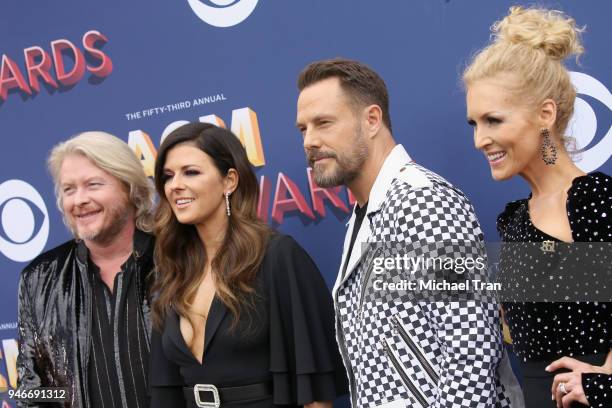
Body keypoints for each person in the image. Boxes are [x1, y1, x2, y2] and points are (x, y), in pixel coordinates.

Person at [296, 58, 522, 407]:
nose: (310, 141)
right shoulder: (368, 211)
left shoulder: (421, 200)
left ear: (372, 120)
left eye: (323, 123)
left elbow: (472, 350)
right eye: (303, 129)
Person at [463, 6, 611, 407]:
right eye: (474, 124)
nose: (481, 140)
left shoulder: (595, 202)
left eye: (494, 120)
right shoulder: (514, 220)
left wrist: (601, 383)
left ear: (545, 114)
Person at [148, 122, 348, 408]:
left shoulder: (278, 257)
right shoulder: (174, 270)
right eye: (168, 176)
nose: (175, 185)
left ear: (229, 180)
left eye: (190, 172)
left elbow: (315, 393)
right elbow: (165, 391)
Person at [16, 132, 155, 408]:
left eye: (93, 185)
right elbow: (32, 388)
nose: (78, 200)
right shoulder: (39, 279)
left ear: (129, 187)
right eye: (69, 189)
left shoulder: (176, 259)